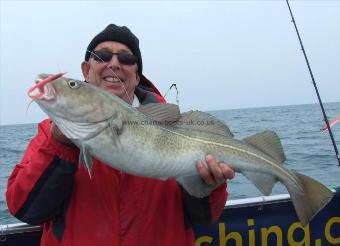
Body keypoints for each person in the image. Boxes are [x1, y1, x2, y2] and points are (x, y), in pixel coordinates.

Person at [6, 24, 235, 246]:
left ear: (137, 77)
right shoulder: (51, 134)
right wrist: (61, 144)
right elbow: (25, 209)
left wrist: (208, 186)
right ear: (86, 70)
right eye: (102, 55)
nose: (114, 63)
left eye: (126, 58)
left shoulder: (174, 128)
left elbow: (204, 218)